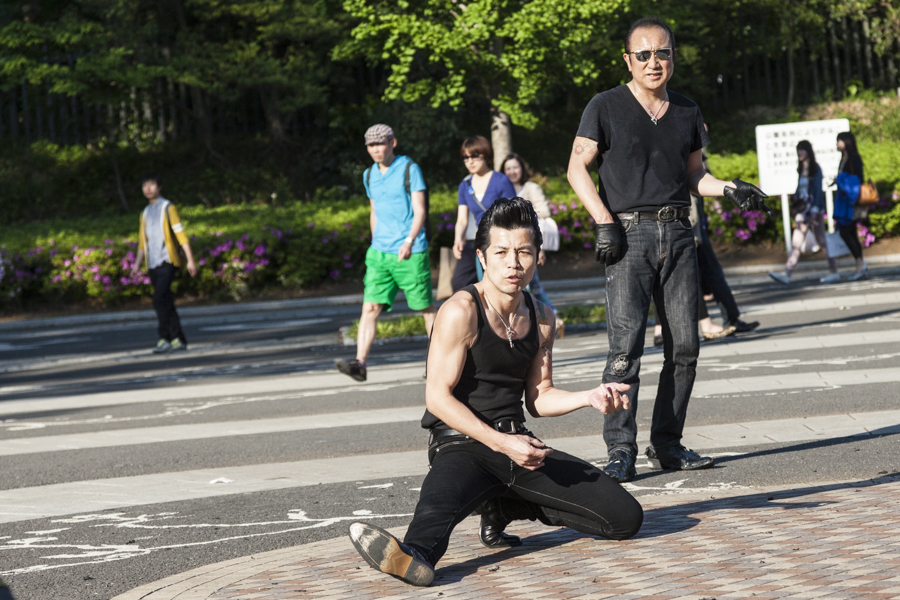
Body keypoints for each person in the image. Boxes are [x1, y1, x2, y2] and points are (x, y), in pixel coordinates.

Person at [348, 198, 643, 586]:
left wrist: (588, 397)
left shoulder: (542, 317)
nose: (513, 263)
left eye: (524, 252)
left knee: (625, 518)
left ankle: (504, 505)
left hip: (519, 446)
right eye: (501, 252)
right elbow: (437, 397)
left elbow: (539, 397)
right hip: (462, 444)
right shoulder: (461, 311)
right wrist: (502, 444)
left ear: (537, 256)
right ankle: (414, 554)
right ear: (482, 258)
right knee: (433, 519)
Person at [566, 16, 771, 483]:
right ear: (628, 60)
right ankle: (620, 448)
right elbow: (577, 168)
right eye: (643, 54)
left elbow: (696, 175)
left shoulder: (686, 110)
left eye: (662, 53)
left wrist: (731, 188)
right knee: (626, 348)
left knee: (685, 347)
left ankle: (668, 443)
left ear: (673, 57)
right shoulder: (605, 106)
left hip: (679, 233)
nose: (653, 62)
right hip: (628, 235)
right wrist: (603, 221)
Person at [335, 124, 437, 382]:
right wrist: (374, 241)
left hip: (410, 251)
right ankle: (360, 363)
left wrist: (409, 241)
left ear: (393, 143)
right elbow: (374, 210)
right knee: (369, 308)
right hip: (380, 252)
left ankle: (439, 362)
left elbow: (420, 210)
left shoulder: (409, 169)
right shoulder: (369, 174)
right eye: (371, 145)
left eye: (380, 143)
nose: (375, 149)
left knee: (425, 308)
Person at [131, 173, 198, 354]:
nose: (148, 189)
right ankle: (179, 338)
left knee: (158, 298)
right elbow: (142, 242)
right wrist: (137, 264)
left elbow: (181, 235)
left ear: (159, 187)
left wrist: (190, 261)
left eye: (151, 185)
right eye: (145, 186)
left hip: (167, 261)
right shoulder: (145, 212)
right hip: (153, 263)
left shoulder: (168, 208)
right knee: (166, 300)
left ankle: (164, 337)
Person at [768, 140, 840, 285]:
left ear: (808, 151)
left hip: (813, 211)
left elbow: (818, 191)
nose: (800, 153)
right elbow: (799, 191)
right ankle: (788, 273)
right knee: (800, 243)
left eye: (802, 150)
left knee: (821, 242)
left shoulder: (815, 169)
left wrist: (815, 211)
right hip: (803, 212)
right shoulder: (801, 169)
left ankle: (833, 271)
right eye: (798, 150)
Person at [451, 136, 517, 291]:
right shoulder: (465, 185)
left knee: (497, 284)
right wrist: (457, 239)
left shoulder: (501, 181)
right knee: (459, 283)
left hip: (501, 240)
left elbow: (513, 214)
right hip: (478, 241)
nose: (470, 161)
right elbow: (462, 219)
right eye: (465, 158)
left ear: (486, 155)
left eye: (474, 156)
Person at [501, 153, 557, 312]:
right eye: (508, 169)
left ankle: (550, 315)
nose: (512, 172)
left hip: (528, 242)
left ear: (522, 168)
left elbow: (544, 211)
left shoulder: (531, 188)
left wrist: (522, 216)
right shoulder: (501, 189)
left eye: (515, 167)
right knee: (525, 285)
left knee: (532, 284)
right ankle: (543, 315)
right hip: (508, 244)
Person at [831, 131, 868, 282]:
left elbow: (857, 179)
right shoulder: (844, 158)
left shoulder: (853, 158)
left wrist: (840, 179)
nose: (837, 144)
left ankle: (860, 263)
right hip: (845, 201)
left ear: (846, 142)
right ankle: (860, 264)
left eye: (839, 140)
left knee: (846, 232)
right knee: (849, 232)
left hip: (852, 203)